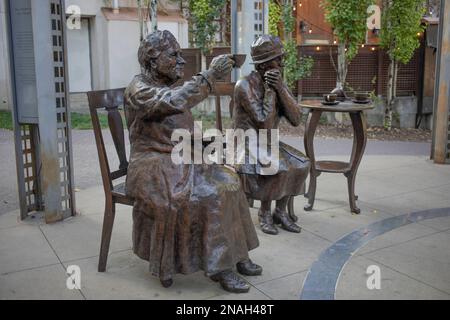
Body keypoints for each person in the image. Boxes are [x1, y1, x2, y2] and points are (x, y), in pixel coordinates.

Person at [124, 30, 261, 293]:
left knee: (231, 179)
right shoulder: (139, 89)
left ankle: (237, 254)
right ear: (153, 60)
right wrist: (210, 77)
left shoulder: (168, 85)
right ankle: (220, 267)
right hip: (152, 162)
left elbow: (176, 128)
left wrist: (203, 143)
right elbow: (173, 102)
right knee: (211, 194)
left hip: (178, 156)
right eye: (174, 55)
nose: (181, 60)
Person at [232, 35, 310, 235]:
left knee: (301, 162)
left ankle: (280, 212)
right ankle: (264, 213)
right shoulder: (244, 86)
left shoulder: (277, 83)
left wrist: (281, 88)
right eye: (279, 59)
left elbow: (296, 118)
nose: (282, 63)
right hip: (246, 143)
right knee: (277, 165)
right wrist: (270, 91)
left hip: (267, 142)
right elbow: (264, 123)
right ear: (265, 65)